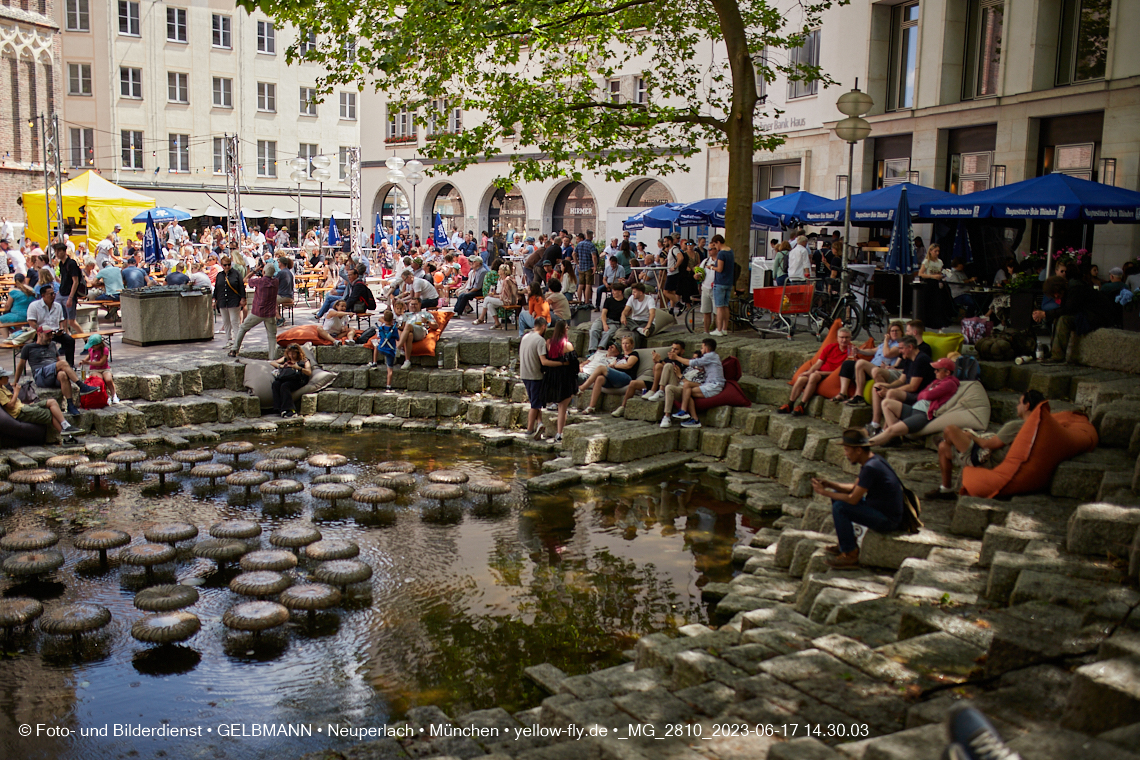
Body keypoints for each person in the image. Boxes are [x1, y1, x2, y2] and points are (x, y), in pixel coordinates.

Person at [811, 429, 906, 570]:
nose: (846, 454)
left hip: (888, 520)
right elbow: (854, 488)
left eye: (847, 450)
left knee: (840, 507)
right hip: (878, 509)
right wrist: (830, 484)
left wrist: (824, 493)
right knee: (837, 495)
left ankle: (850, 554)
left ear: (859, 450)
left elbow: (853, 499)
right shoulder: (874, 460)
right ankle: (848, 543)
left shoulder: (871, 468)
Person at [928, 390, 1044, 500]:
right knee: (943, 448)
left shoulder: (1015, 426)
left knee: (950, 429)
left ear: (1027, 406)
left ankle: (947, 442)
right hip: (991, 457)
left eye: (1019, 403)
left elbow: (988, 444)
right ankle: (946, 490)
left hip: (984, 460)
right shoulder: (1036, 425)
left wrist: (972, 436)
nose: (1017, 406)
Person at [868, 357, 960, 446]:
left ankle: (866, 443)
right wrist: (925, 394)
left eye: (938, 370)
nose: (935, 372)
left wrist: (925, 394)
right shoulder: (937, 381)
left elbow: (927, 395)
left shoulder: (949, 384)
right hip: (914, 409)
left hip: (923, 414)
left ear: (947, 372)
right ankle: (894, 438)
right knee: (886, 403)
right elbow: (922, 394)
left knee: (890, 430)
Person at [14, 328, 97, 416]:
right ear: (39, 334)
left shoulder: (52, 345)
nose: (50, 337)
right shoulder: (28, 347)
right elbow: (21, 365)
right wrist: (15, 382)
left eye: (51, 335)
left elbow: (57, 361)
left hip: (52, 374)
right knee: (63, 363)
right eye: (47, 335)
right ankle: (82, 386)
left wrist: (66, 371)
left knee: (62, 375)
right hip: (40, 375)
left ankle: (70, 405)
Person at [865, 335, 935, 437]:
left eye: (901, 348)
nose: (900, 351)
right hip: (912, 392)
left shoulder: (921, 359)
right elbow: (901, 380)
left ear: (910, 347)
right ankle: (875, 424)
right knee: (878, 386)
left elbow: (913, 387)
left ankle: (886, 430)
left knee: (891, 393)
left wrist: (889, 390)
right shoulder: (909, 358)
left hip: (920, 396)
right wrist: (887, 387)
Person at [779, 327, 855, 415]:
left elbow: (843, 371)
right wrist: (809, 371)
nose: (844, 340)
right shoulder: (830, 347)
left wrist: (818, 373)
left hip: (832, 376)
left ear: (850, 338)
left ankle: (801, 405)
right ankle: (790, 404)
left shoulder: (851, 351)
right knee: (801, 379)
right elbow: (818, 363)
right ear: (837, 338)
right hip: (819, 372)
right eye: (841, 337)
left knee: (814, 376)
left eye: (847, 337)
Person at [613, 340, 686, 417]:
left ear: (682, 351)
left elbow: (672, 369)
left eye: (676, 349)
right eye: (672, 348)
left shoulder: (681, 362)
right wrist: (656, 362)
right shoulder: (667, 359)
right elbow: (656, 373)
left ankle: (654, 391)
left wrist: (660, 361)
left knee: (663, 365)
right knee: (633, 383)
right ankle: (622, 407)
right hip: (658, 382)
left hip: (670, 384)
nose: (673, 351)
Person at [664, 337, 725, 429]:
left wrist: (676, 357)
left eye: (702, 348)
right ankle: (692, 417)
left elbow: (692, 362)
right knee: (687, 386)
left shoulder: (710, 356)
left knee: (686, 392)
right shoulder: (712, 357)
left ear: (706, 349)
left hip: (714, 386)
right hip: (709, 384)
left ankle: (688, 414)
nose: (701, 350)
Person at [839, 321, 904, 404]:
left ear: (901, 332)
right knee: (847, 364)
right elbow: (872, 351)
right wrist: (859, 351)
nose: (894, 333)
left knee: (861, 363)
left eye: (896, 330)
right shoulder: (886, 343)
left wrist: (886, 342)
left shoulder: (900, 344)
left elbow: (887, 354)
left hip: (883, 369)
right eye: (892, 331)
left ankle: (859, 396)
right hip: (872, 366)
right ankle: (843, 393)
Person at [577, 334, 639, 415]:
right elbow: (613, 365)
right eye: (623, 343)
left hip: (626, 377)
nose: (625, 345)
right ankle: (591, 406)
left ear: (632, 345)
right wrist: (611, 366)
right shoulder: (620, 356)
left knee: (601, 367)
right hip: (615, 378)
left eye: (627, 343)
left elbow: (628, 365)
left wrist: (614, 366)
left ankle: (582, 388)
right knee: (599, 378)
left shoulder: (634, 354)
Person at [229, 261, 279, 360]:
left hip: (258, 312)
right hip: (270, 313)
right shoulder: (276, 282)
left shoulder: (259, 281)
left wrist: (254, 271)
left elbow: (245, 279)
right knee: (272, 336)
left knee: (243, 328)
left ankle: (235, 349)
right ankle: (272, 358)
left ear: (263, 272)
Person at [0, 365, 72, 434]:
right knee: (50, 413)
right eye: (5, 376)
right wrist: (16, 392)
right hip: (21, 412)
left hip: (24, 407)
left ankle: (66, 425)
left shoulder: (3, 387)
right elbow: (11, 405)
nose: (8, 378)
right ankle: (66, 437)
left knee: (52, 402)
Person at [538, 320, 577, 443]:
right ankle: (559, 433)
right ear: (565, 329)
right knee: (562, 408)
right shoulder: (568, 345)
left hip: (551, 377)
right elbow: (574, 365)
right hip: (564, 378)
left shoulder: (548, 343)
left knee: (559, 406)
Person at [26, 287, 76, 367]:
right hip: (40, 332)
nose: (53, 296)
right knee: (43, 342)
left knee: (70, 340)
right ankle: (44, 364)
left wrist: (61, 329)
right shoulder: (34, 305)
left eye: (54, 293)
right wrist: (40, 331)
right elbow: (31, 321)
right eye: (51, 294)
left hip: (54, 331)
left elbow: (61, 321)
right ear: (43, 295)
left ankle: (70, 365)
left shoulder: (58, 306)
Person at [519, 316, 549, 439]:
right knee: (535, 405)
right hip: (535, 375)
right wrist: (561, 364)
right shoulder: (540, 340)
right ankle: (529, 430)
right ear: (543, 327)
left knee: (535, 401)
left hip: (524, 374)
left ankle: (539, 423)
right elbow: (544, 361)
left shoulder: (525, 336)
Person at [268, 344, 312, 418]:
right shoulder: (286, 359)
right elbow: (273, 362)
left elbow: (308, 372)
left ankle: (290, 409)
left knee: (285, 386)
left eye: (293, 354)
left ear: (298, 353)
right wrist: (281, 366)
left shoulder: (304, 360)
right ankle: (279, 408)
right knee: (276, 384)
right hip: (287, 377)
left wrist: (298, 367)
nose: (291, 355)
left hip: (298, 380)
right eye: (290, 353)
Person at [213, 255, 245, 352]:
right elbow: (217, 288)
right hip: (223, 300)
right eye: (225, 265)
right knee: (226, 322)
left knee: (234, 321)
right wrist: (214, 299)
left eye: (228, 265)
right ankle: (229, 340)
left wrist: (243, 298)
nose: (227, 267)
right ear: (222, 265)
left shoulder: (236, 274)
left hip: (234, 300)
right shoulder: (219, 275)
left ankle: (238, 341)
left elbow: (241, 287)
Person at [395, 298, 437, 369]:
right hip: (408, 332)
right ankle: (407, 361)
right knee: (409, 335)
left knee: (408, 325)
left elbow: (436, 326)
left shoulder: (425, 314)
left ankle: (398, 348)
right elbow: (402, 326)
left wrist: (427, 321)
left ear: (420, 304)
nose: (413, 306)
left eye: (415, 304)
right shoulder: (406, 315)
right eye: (412, 304)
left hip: (420, 331)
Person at [79, 333, 119, 404]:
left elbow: (101, 363)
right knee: (99, 381)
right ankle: (106, 396)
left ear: (98, 344)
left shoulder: (105, 350)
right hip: (94, 369)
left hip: (104, 368)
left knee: (108, 379)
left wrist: (88, 363)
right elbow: (89, 356)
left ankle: (114, 395)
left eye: (93, 346)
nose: (92, 347)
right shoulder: (91, 349)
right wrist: (84, 361)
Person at [55, 242, 85, 334]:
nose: (57, 254)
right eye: (56, 251)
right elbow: (63, 279)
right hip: (61, 293)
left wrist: (71, 297)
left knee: (71, 321)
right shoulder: (61, 264)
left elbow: (75, 281)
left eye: (59, 251)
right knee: (62, 319)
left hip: (69, 295)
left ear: (64, 251)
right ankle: (67, 337)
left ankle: (86, 339)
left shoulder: (71, 264)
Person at [588, 283, 627, 353]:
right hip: (604, 319)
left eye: (614, 291)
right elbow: (603, 314)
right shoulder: (608, 300)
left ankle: (600, 349)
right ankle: (592, 350)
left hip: (614, 322)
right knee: (593, 330)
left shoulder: (625, 302)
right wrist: (604, 324)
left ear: (620, 292)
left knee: (607, 333)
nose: (612, 292)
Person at [367, 309, 400, 389]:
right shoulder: (394, 329)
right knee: (390, 370)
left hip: (381, 348)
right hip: (390, 351)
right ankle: (388, 386)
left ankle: (374, 362)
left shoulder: (380, 328)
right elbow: (398, 339)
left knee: (375, 345)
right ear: (392, 319)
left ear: (384, 319)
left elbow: (379, 336)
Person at [708, 234, 734, 336]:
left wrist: (711, 267)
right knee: (725, 306)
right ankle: (724, 328)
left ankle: (718, 330)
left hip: (720, 282)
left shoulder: (721, 254)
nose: (715, 247)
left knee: (719, 307)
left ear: (718, 242)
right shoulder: (730, 251)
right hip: (729, 282)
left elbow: (719, 269)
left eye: (715, 245)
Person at [477, 264, 516, 328]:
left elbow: (504, 295)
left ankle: (481, 318)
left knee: (487, 299)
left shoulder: (507, 280)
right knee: (489, 305)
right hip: (502, 299)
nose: (498, 271)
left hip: (507, 300)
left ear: (503, 271)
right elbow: (500, 293)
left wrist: (494, 296)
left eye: (500, 270)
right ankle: (497, 323)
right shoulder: (500, 279)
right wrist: (494, 293)